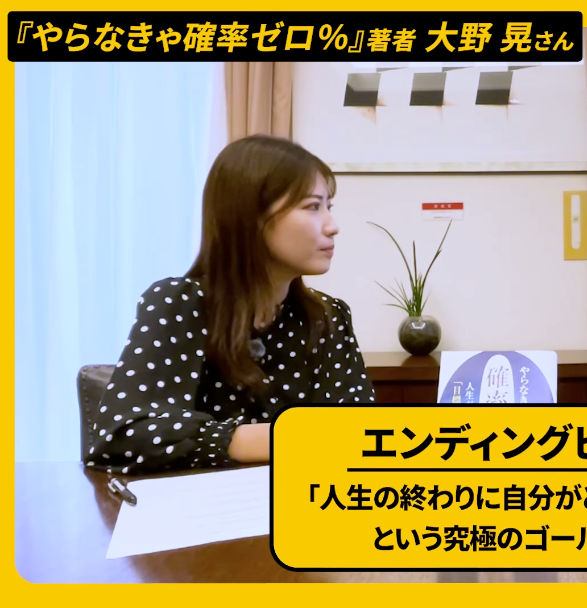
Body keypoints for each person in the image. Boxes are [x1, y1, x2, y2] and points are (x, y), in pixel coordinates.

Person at [86, 135, 374, 475]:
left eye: (329, 207)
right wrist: (272, 439)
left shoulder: (329, 317)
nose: (332, 226)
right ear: (250, 216)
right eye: (312, 207)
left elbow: (357, 433)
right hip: (200, 503)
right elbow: (122, 436)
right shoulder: (179, 304)